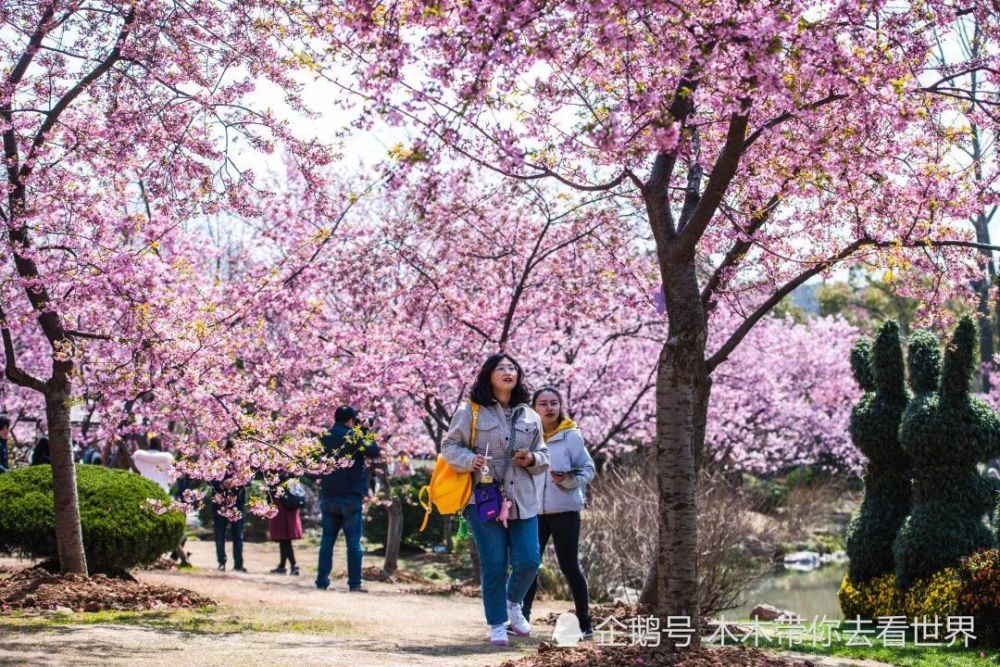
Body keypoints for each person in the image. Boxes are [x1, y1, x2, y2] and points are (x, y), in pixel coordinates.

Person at [442, 353, 550, 646]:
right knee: (494, 564)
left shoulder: (530, 415)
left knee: (529, 559)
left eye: (512, 368)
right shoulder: (471, 412)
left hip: (523, 498)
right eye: (500, 368)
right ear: (489, 375)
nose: (507, 372)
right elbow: (450, 446)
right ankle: (497, 624)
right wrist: (469, 459)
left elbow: (544, 455)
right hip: (484, 498)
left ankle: (513, 602)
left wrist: (531, 458)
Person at [521, 386, 596, 639]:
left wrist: (566, 480)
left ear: (560, 406)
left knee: (569, 565)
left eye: (554, 403)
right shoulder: (526, 434)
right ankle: (522, 620)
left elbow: (588, 469)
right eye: (543, 403)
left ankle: (585, 622)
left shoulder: (571, 436)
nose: (549, 408)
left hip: (565, 510)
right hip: (533, 511)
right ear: (534, 408)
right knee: (529, 564)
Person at [314, 405, 381, 592]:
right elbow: (373, 451)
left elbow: (312, 462)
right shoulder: (354, 436)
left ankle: (321, 581)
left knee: (327, 541)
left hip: (329, 494)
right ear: (350, 420)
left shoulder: (325, 436)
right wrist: (365, 431)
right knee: (353, 542)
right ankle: (355, 583)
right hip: (351, 495)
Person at [212, 439, 247, 573]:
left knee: (238, 534)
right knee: (220, 533)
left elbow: (248, 479)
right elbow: (209, 478)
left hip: (237, 502)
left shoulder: (241, 463)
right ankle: (221, 561)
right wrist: (221, 484)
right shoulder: (216, 462)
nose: (230, 453)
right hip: (219, 502)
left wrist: (236, 482)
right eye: (227, 450)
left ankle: (238, 563)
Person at [269, 478, 304, 575]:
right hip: (288, 507)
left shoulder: (278, 474)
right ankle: (282, 566)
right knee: (284, 539)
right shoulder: (291, 476)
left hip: (282, 507)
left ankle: (294, 565)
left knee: (284, 539)